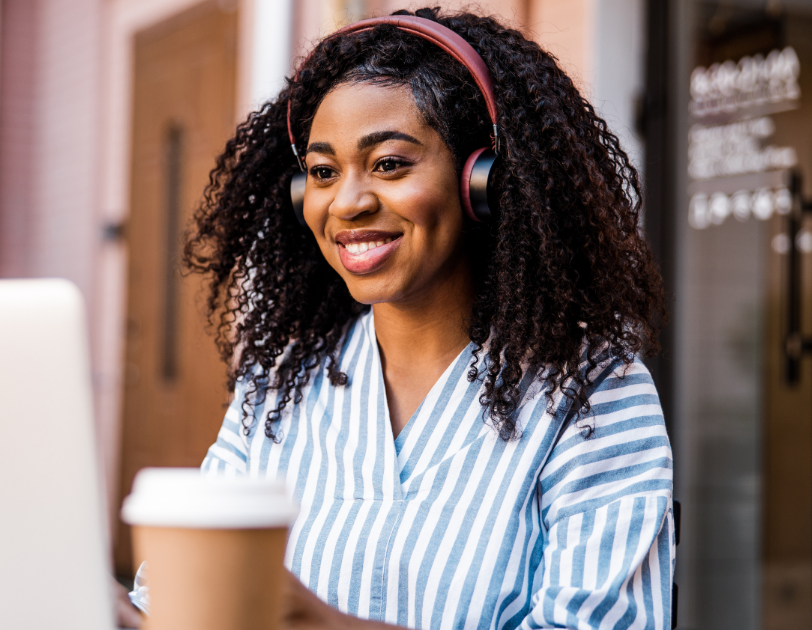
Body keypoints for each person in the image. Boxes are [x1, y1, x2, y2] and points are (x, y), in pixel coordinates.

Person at [183, 7, 674, 630]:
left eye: (389, 163)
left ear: (482, 180)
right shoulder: (278, 382)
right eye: (324, 172)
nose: (349, 202)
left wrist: (324, 624)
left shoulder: (590, 390)